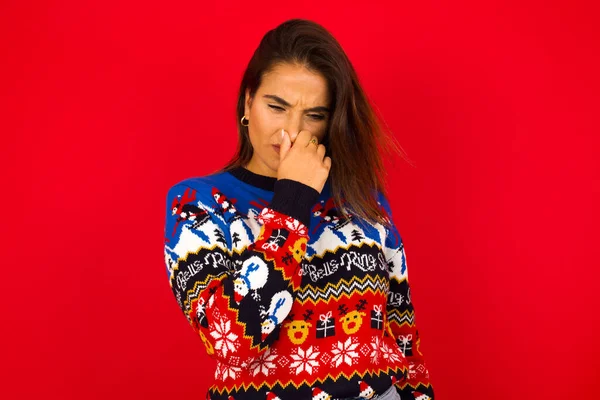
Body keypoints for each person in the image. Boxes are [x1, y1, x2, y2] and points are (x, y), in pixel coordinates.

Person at [163, 18, 435, 400]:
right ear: (248, 102)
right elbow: (232, 341)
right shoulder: (198, 203)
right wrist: (292, 201)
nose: (291, 131)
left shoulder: (362, 199)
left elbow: (401, 333)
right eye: (277, 107)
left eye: (315, 115)